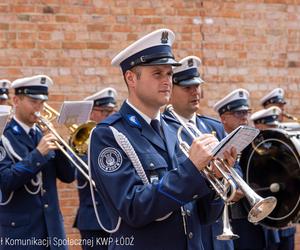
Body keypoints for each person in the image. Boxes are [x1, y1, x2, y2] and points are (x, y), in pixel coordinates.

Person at [89, 28, 237, 250]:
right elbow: (133, 208)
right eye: (157, 73)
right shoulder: (109, 135)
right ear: (131, 78)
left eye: (169, 74)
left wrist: (214, 179)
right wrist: (192, 168)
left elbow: (204, 216)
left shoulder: (176, 128)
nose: (167, 80)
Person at [163, 55, 235, 250]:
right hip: (189, 223)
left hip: (216, 219)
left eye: (197, 86)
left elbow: (229, 175)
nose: (195, 91)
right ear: (171, 90)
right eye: (187, 87)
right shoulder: (163, 128)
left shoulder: (213, 127)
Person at [0, 75, 75, 250]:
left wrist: (62, 147)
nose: (39, 108)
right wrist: (38, 154)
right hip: (21, 235)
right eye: (34, 101)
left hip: (52, 231)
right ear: (16, 100)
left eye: (42, 103)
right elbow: (5, 181)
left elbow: (69, 176)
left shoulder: (43, 134)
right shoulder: (3, 135)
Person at [214, 89, 280, 250]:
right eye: (238, 113)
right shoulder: (217, 144)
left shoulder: (255, 144)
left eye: (246, 112)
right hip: (237, 218)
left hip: (260, 215)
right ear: (223, 118)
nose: (244, 117)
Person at [74, 87, 117, 250]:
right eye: (106, 112)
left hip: (120, 217)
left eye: (113, 111)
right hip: (94, 220)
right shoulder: (80, 140)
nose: (111, 116)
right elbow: (81, 169)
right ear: (92, 113)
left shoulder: (118, 137)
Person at [250, 106, 297, 250]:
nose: (276, 130)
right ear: (259, 126)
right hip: (264, 217)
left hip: (284, 212)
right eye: (271, 126)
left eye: (276, 126)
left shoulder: (283, 148)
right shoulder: (254, 153)